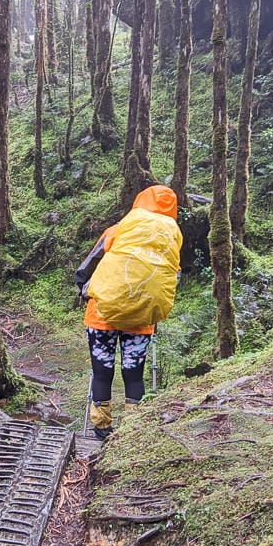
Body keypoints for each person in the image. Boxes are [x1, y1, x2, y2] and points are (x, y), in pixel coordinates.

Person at [75, 184, 181, 440]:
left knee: (102, 373)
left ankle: (102, 428)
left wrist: (84, 289)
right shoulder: (171, 236)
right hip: (142, 320)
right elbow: (173, 275)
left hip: (102, 316)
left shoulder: (119, 229)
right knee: (134, 374)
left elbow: (89, 265)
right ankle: (133, 430)